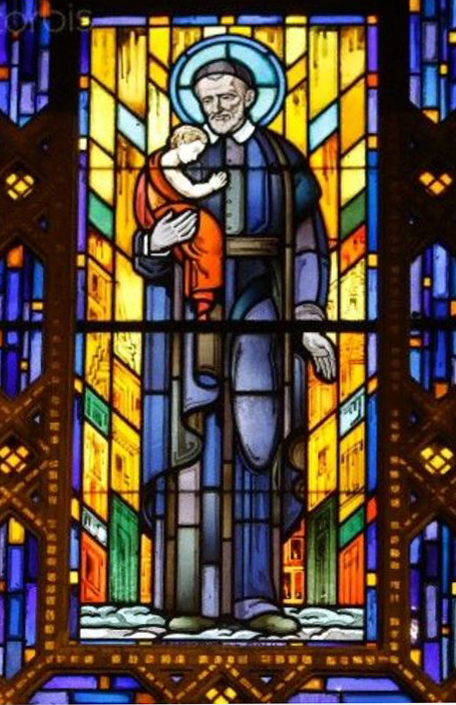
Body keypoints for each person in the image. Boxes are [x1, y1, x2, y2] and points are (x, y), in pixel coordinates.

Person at [134, 57, 336, 636]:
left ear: (249, 96)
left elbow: (307, 245)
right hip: (191, 318)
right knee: (193, 450)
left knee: (257, 448)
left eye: (226, 97)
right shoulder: (184, 159)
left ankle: (256, 599)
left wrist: (308, 317)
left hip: (263, 309)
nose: (217, 108)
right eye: (207, 100)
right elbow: (150, 235)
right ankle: (189, 601)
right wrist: (154, 243)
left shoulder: (283, 162)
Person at [134, 124, 227, 320]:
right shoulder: (169, 165)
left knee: (207, 231)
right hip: (166, 216)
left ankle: (203, 297)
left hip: (170, 213)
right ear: (182, 142)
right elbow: (189, 191)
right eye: (194, 151)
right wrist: (211, 186)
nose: (195, 157)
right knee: (207, 230)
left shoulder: (167, 162)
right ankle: (203, 296)